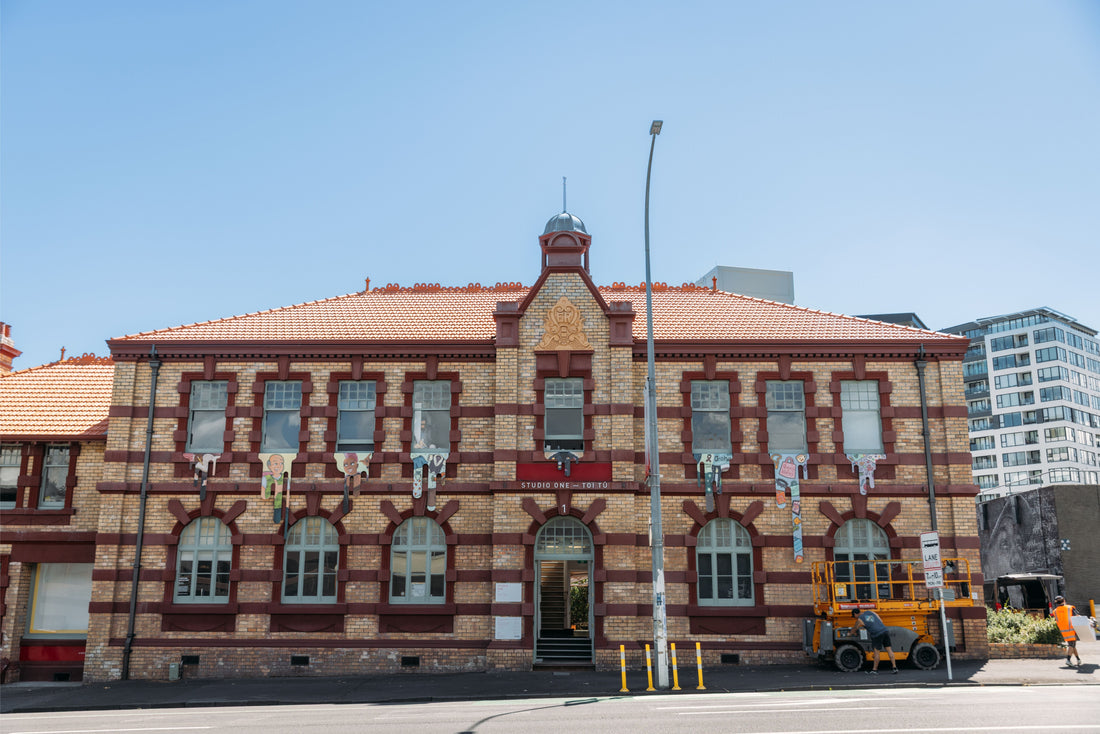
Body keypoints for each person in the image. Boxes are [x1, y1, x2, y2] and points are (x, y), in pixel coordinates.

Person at [852, 608, 897, 674]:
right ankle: (894, 668)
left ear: (855, 614)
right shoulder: (870, 612)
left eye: (854, 616)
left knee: (876, 652)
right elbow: (880, 619)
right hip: (884, 631)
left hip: (877, 634)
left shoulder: (860, 619)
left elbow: (854, 629)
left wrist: (850, 633)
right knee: (889, 650)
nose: (854, 617)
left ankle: (874, 670)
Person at [1053, 595, 1082, 667]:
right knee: (1072, 645)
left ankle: (1078, 659)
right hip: (1071, 629)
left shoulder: (1055, 611)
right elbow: (1078, 617)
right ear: (1064, 600)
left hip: (1064, 631)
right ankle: (1068, 660)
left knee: (1072, 645)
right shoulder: (1070, 608)